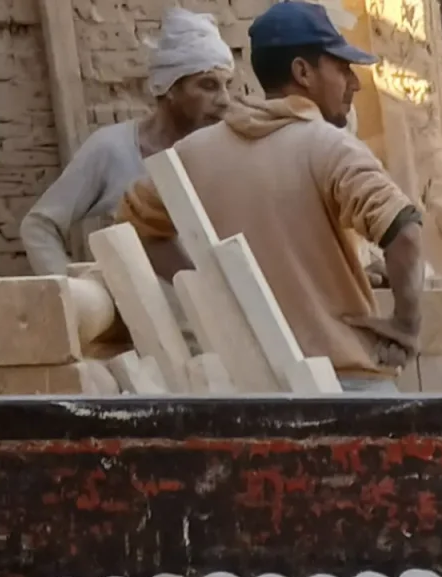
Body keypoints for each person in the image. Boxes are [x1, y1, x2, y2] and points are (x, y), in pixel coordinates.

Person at [116, 0, 423, 392]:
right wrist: (406, 326)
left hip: (247, 392)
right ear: (302, 72)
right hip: (343, 386)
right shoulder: (331, 147)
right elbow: (405, 232)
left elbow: (131, 229)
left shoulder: (192, 154)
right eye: (342, 68)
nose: (354, 83)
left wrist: (212, 286)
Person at [20, 8, 235, 275]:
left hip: (214, 299)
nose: (224, 100)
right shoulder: (112, 149)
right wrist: (73, 288)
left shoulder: (227, 154)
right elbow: (39, 226)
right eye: (208, 85)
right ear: (170, 88)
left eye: (228, 85)